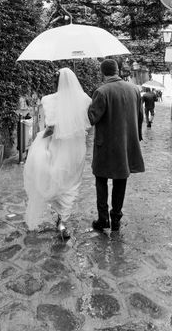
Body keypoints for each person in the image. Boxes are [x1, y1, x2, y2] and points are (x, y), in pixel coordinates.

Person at [23, 67, 92, 240]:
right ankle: (62, 221)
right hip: (76, 149)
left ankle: (58, 215)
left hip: (57, 146)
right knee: (70, 183)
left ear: (56, 82)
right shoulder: (84, 99)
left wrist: (40, 139)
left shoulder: (49, 100)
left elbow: (51, 128)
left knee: (55, 178)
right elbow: (87, 124)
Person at [88, 59, 145, 232]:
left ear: (102, 72)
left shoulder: (101, 91)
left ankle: (103, 218)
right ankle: (116, 219)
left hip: (105, 145)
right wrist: (137, 137)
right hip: (126, 143)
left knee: (101, 180)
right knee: (121, 179)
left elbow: (92, 117)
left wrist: (89, 104)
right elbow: (140, 116)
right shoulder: (134, 89)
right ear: (117, 70)